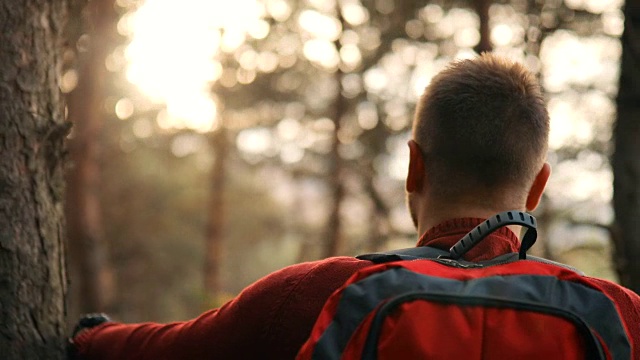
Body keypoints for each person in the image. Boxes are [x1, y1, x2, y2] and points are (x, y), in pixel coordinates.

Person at [68, 54, 640, 359]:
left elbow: (169, 351)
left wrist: (90, 337)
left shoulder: (311, 296)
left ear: (414, 165)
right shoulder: (623, 315)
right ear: (536, 187)